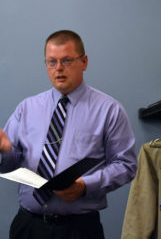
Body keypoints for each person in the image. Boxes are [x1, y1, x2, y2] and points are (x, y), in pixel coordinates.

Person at [0, 30, 137, 239]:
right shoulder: (26, 108)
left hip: (79, 229)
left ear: (84, 62)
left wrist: (85, 186)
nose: (59, 69)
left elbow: (126, 165)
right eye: (51, 62)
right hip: (28, 226)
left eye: (66, 60)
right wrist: (6, 150)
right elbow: (11, 165)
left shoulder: (109, 110)